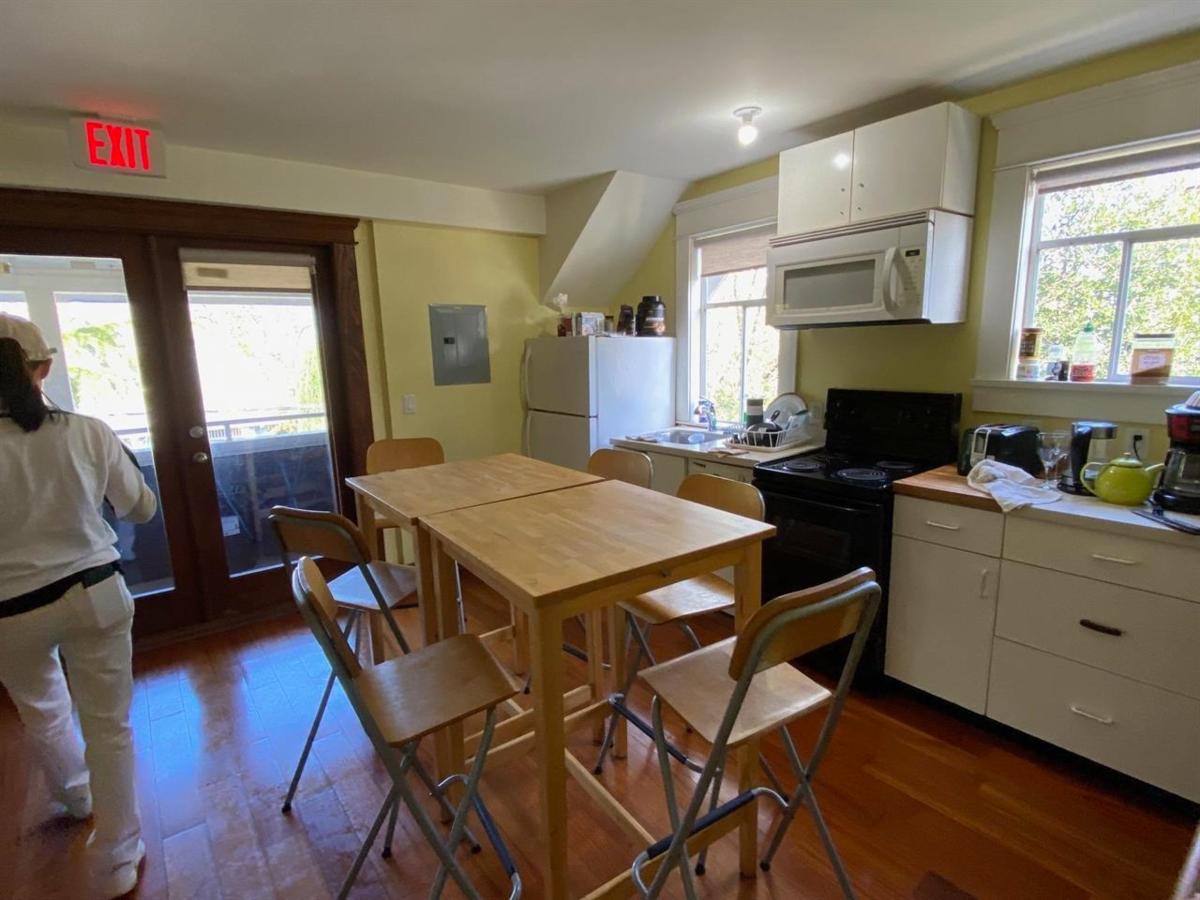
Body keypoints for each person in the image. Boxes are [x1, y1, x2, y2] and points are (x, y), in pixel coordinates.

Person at [0, 312, 157, 899]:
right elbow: (140, 509)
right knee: (109, 726)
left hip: (8, 611)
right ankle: (116, 858)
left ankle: (75, 793)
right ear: (42, 368)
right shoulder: (86, 431)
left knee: (40, 707)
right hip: (93, 592)